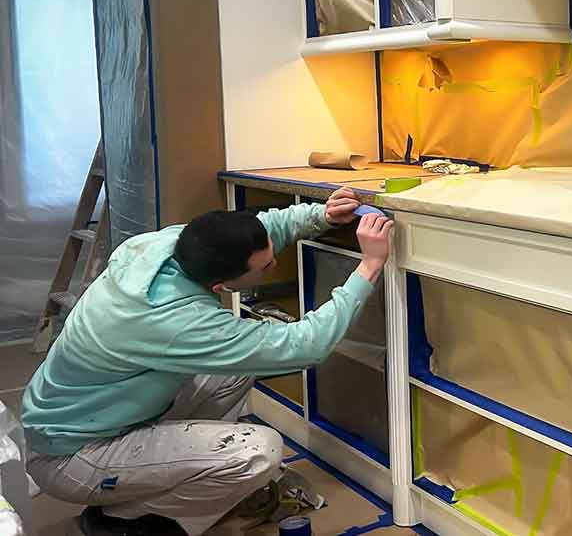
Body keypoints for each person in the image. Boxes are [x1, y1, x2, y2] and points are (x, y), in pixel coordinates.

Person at [21, 187, 394, 536]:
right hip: (73, 457)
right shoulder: (173, 320)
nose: (274, 262)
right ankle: (132, 521)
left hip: (89, 417)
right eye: (265, 268)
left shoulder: (166, 244)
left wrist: (323, 214)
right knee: (258, 453)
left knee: (232, 372)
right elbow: (307, 345)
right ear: (221, 287)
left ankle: (170, 477)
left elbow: (264, 230)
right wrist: (369, 266)